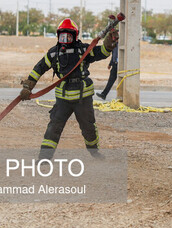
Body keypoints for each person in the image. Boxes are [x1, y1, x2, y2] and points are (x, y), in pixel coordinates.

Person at [19, 18, 118, 159]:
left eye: (68, 36)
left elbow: (101, 52)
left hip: (82, 99)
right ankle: (44, 158)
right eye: (62, 36)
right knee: (53, 128)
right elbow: (39, 68)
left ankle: (94, 151)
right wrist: (27, 86)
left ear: (75, 36)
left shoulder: (83, 50)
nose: (65, 39)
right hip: (63, 100)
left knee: (89, 128)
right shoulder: (53, 53)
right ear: (58, 36)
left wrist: (109, 42)